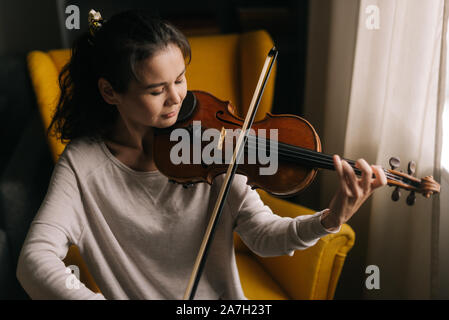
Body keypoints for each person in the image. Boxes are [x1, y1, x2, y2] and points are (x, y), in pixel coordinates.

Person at [16, 9, 387, 300]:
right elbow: (34, 260)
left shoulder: (211, 144)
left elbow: (263, 234)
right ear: (110, 92)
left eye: (180, 79)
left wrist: (330, 218)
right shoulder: (84, 165)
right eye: (156, 89)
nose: (177, 98)